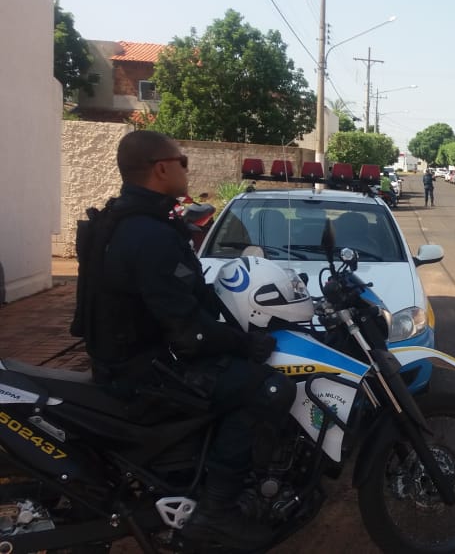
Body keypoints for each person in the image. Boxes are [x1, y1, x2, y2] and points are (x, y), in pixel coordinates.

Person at [71, 131, 295, 549]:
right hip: (145, 375)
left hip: (120, 361)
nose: (187, 169)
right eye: (183, 161)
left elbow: (182, 296)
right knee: (267, 388)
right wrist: (245, 344)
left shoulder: (120, 220)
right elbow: (189, 331)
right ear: (161, 168)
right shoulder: (150, 234)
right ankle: (216, 513)